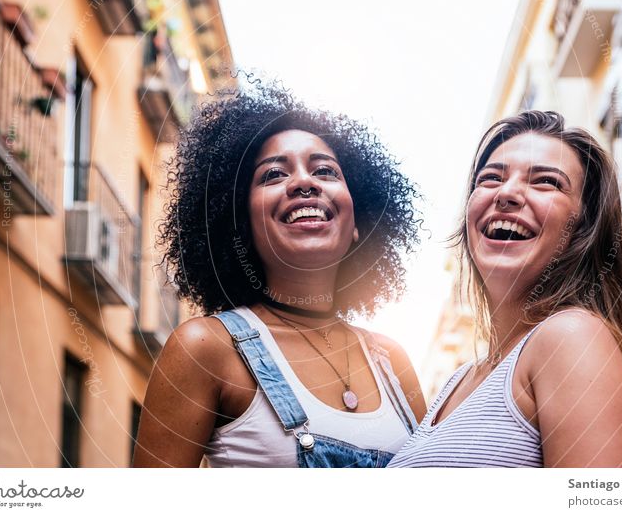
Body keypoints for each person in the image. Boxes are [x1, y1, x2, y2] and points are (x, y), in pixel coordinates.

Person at [133, 82, 426, 468]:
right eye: (272, 175)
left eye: (324, 170)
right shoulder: (206, 348)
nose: (304, 182)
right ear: (240, 222)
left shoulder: (393, 361)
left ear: (358, 222)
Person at [388, 110, 622, 468]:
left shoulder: (570, 336)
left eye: (546, 182)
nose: (506, 193)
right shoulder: (457, 380)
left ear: (582, 227)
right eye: (490, 178)